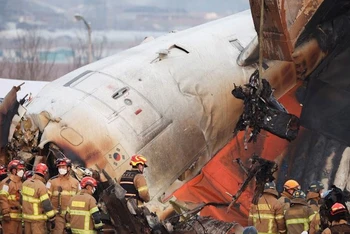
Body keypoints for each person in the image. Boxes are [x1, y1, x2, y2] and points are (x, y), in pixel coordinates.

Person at [46, 158, 80, 234]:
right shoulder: (52, 181)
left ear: (68, 168)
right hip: (57, 216)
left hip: (71, 217)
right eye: (59, 167)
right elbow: (46, 199)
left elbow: (79, 199)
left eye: (63, 167)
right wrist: (50, 216)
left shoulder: (76, 182)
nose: (61, 169)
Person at [22, 163, 56, 234]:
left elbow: (21, 200)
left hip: (26, 219)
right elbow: (46, 204)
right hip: (37, 221)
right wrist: (52, 218)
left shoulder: (25, 183)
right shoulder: (41, 186)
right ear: (45, 173)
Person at [0, 159, 25, 234]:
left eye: (22, 169)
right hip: (9, 217)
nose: (22, 171)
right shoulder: (6, 183)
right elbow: (2, 198)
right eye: (20, 169)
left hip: (19, 218)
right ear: (14, 170)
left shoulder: (21, 183)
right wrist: (5, 212)